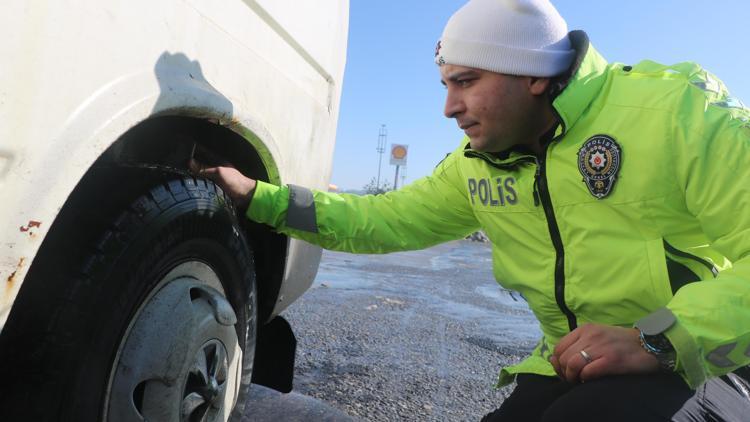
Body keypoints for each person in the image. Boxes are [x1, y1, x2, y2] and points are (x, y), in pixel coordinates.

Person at [191, 0, 750, 420]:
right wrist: (258, 197)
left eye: (465, 82)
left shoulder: (675, 114)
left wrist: (655, 338)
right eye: (444, 85)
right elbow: (382, 219)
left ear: (532, 74)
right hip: (570, 362)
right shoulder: (477, 166)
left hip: (703, 360)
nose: (448, 107)